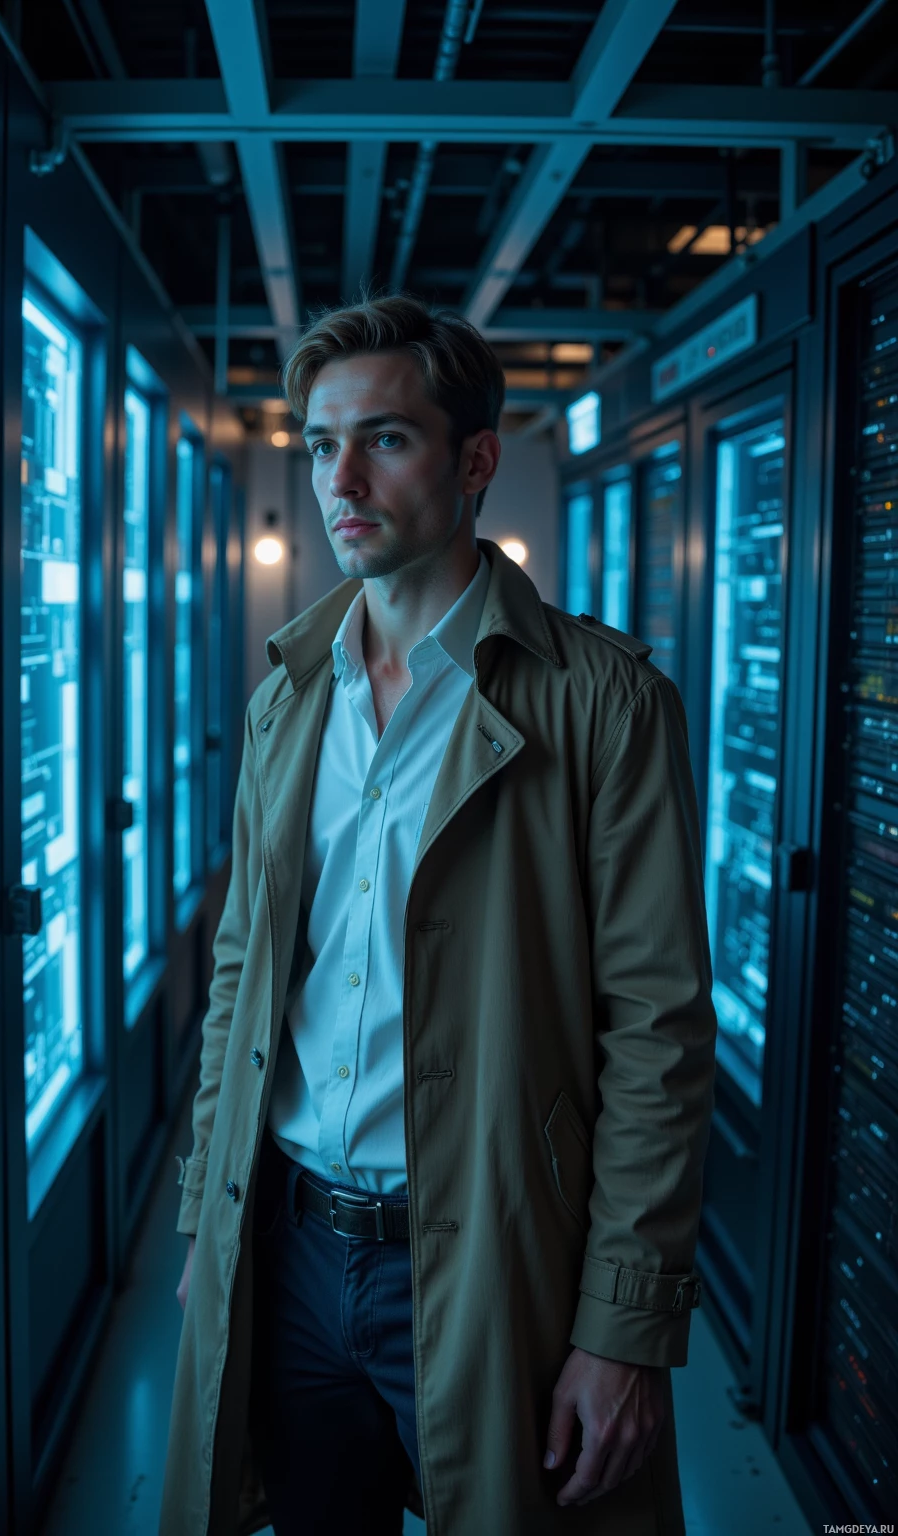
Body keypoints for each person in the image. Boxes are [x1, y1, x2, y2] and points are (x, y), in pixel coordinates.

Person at [160, 295, 717, 1536]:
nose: (339, 478)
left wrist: (622, 1327)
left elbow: (659, 1031)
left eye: (385, 440)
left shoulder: (604, 704)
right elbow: (245, 972)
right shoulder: (284, 700)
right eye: (317, 444)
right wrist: (211, 1213)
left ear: (475, 461)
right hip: (294, 1248)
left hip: (491, 1254)